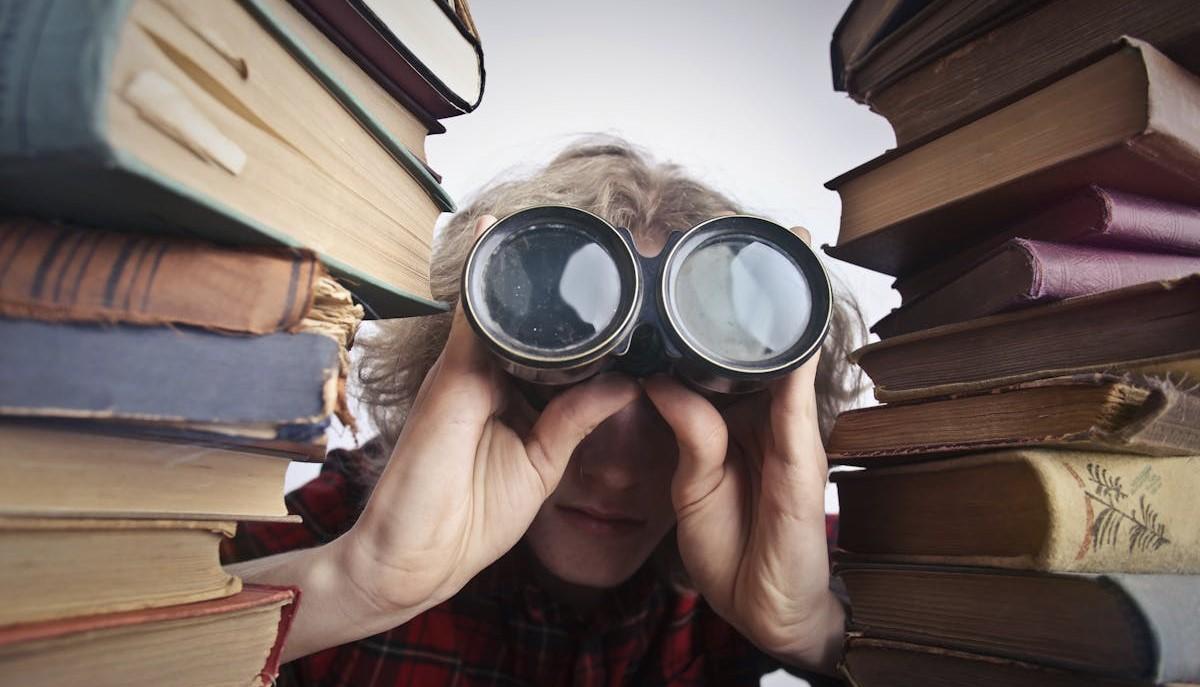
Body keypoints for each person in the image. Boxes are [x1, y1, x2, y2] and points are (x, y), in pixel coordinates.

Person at [224, 137, 865, 686]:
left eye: (675, 415)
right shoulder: (334, 531)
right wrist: (350, 585)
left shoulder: (778, 546)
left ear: (752, 419)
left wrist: (812, 629)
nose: (614, 473)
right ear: (474, 375)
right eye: (563, 383)